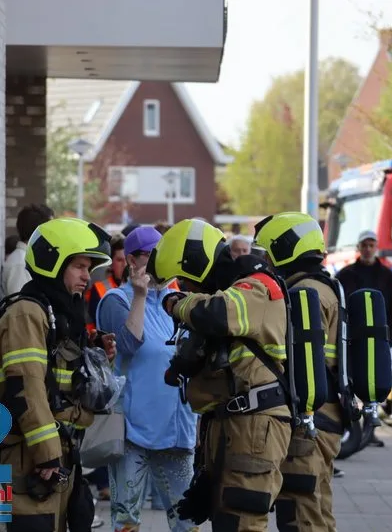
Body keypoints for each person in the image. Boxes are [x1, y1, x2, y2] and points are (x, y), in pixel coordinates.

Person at [146, 218, 293, 532]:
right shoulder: (227, 290)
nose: (188, 289)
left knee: (241, 522)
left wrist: (176, 302)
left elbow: (215, 313)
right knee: (227, 521)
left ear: (198, 264)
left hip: (254, 423)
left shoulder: (255, 286)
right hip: (232, 423)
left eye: (187, 280)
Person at [0, 217, 116, 532]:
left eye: (89, 268)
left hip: (60, 452)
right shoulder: (27, 314)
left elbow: (59, 378)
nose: (87, 276)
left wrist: (93, 353)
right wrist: (47, 456)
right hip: (32, 456)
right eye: (79, 267)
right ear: (52, 263)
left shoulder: (56, 314)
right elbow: (26, 388)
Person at [97, 226, 199, 532]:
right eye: (152, 257)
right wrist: (140, 295)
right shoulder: (116, 300)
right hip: (131, 431)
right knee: (127, 519)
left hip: (177, 426)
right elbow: (128, 345)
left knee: (187, 519)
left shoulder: (178, 300)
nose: (160, 264)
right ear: (131, 259)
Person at [254, 212, 344, 532]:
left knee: (302, 510)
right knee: (317, 505)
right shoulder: (323, 286)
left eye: (267, 253)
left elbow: (303, 359)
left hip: (312, 416)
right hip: (326, 412)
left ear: (285, 249)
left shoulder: (307, 294)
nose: (265, 262)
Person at [336, 229, 392, 448]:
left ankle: (369, 431)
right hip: (352, 340)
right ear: (359, 248)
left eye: (371, 245)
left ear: (376, 247)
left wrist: (386, 341)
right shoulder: (346, 275)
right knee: (351, 382)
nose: (367, 249)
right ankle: (349, 428)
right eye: (364, 245)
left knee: (373, 384)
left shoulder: (387, 277)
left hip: (377, 341)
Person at [2, 204, 54, 297]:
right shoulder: (20, 264)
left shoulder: (27, 259)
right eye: (50, 229)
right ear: (38, 232)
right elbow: (20, 306)